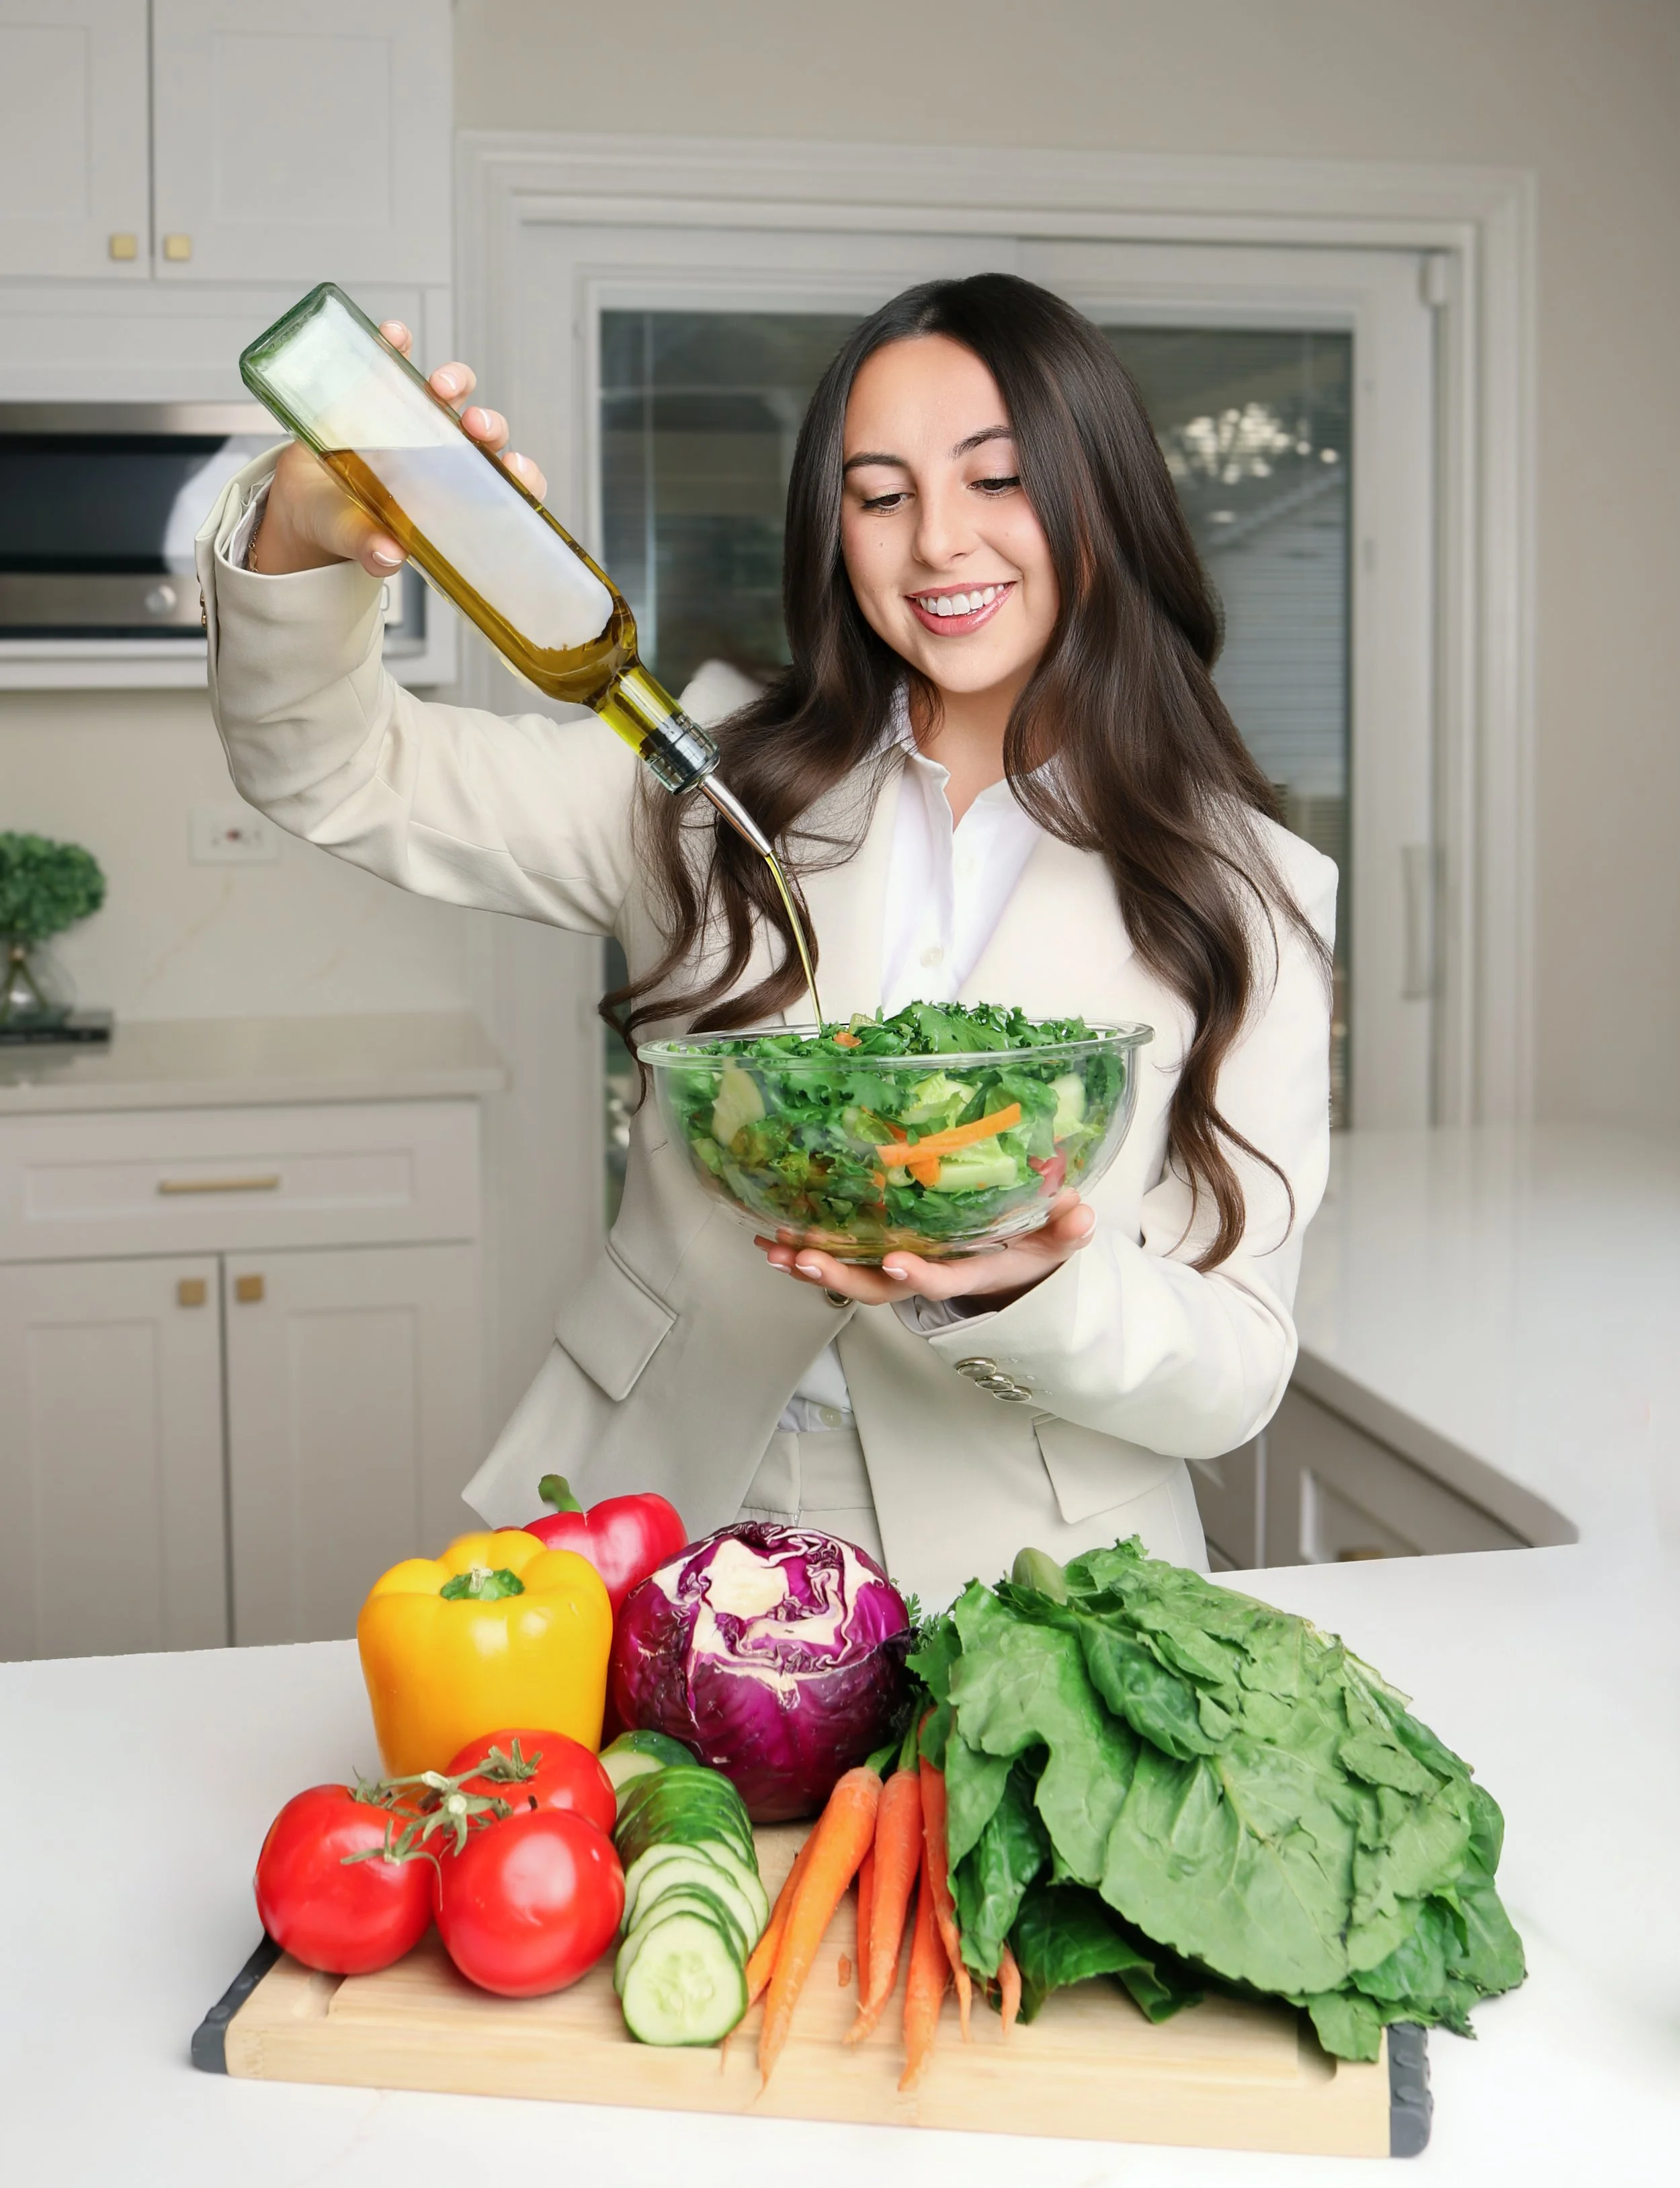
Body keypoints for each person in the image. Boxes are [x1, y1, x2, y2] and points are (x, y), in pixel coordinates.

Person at [197, 274, 1334, 1611]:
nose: (937, 545)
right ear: (832, 528)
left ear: (1101, 499)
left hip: (1033, 1572)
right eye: (881, 494)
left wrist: (1039, 1287)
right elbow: (332, 768)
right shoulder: (702, 787)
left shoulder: (1245, 890)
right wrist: (302, 528)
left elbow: (1238, 1365)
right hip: (665, 1519)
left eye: (996, 480)